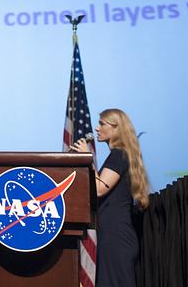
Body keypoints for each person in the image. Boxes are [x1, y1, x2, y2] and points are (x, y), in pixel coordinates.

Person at [71, 108, 149, 287]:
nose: (97, 128)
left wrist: (87, 158)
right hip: (112, 235)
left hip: (117, 237)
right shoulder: (119, 155)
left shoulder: (118, 155)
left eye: (102, 124)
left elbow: (100, 189)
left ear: (116, 128)